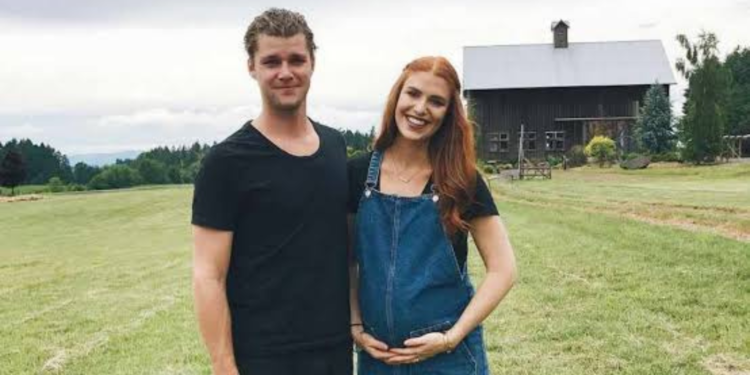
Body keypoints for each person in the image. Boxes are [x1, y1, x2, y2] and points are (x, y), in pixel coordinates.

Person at [191, 8, 351, 375]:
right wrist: (223, 365)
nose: (285, 72)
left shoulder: (335, 147)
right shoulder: (226, 162)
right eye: (271, 61)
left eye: (296, 59)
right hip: (262, 357)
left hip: (334, 350)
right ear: (252, 67)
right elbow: (207, 275)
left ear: (313, 63)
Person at [348, 56, 517, 374]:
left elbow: (503, 270)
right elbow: (347, 260)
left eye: (436, 101)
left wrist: (451, 338)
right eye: (413, 94)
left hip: (447, 360)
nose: (421, 108)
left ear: (449, 114)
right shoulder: (356, 174)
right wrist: (355, 323)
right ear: (397, 95)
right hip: (378, 357)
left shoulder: (461, 180)